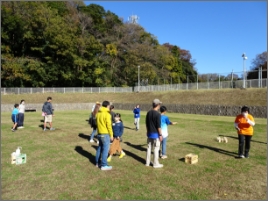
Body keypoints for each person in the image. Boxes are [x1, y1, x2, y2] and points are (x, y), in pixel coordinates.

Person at [95, 101, 114, 170]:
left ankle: (97, 162)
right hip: (105, 134)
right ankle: (104, 165)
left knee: (99, 148)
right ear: (107, 106)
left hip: (99, 133)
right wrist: (111, 135)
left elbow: (96, 122)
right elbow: (109, 125)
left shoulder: (98, 113)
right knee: (105, 150)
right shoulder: (107, 114)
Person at [145, 99, 163, 168]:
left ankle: (147, 162)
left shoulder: (148, 113)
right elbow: (158, 126)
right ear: (157, 105)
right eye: (159, 104)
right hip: (155, 134)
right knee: (156, 148)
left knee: (149, 148)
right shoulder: (158, 114)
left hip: (149, 133)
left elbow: (146, 124)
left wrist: (147, 131)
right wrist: (160, 135)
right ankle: (156, 164)